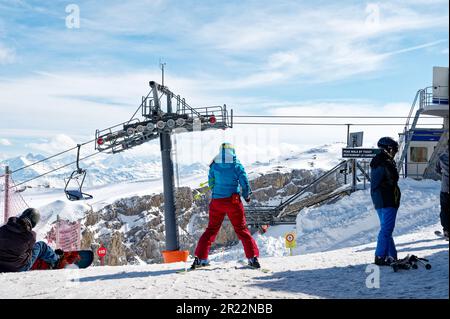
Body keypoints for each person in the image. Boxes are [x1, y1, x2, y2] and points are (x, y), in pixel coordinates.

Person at [192, 143, 260, 269]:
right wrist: (246, 195)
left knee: (211, 229)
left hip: (217, 202)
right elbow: (244, 181)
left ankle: (200, 259)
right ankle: (252, 258)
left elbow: (211, 181)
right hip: (233, 202)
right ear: (232, 151)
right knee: (241, 229)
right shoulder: (236, 164)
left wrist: (217, 191)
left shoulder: (214, 164)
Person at [0, 208, 63, 272]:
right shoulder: (30, 235)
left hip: (1, 266)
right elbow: (30, 250)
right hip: (19, 268)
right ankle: (57, 259)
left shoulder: (3, 228)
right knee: (41, 245)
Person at [370, 137, 401, 266]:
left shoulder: (380, 161)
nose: (395, 152)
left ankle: (391, 256)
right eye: (394, 149)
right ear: (387, 149)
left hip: (382, 200)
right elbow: (381, 183)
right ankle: (380, 256)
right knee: (386, 230)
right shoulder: (384, 163)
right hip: (387, 200)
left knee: (386, 230)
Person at [435, 139, 449, 240]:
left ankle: (447, 231)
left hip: (445, 188)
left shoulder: (442, 156)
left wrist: (445, 175)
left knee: (444, 209)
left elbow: (437, 170)